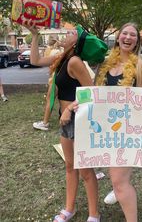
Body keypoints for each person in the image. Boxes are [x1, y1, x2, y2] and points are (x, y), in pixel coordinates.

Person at [23, 20, 108, 222]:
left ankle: (94, 215)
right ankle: (69, 209)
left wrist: (69, 108)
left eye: (71, 33)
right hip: (67, 119)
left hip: (79, 119)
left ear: (75, 43)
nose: (66, 33)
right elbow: (34, 60)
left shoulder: (75, 62)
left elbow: (92, 93)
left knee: (86, 171)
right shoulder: (62, 58)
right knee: (70, 167)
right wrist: (35, 36)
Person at [95, 22, 142, 222]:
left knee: (120, 181)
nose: (128, 38)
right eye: (125, 34)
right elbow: (95, 95)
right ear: (118, 37)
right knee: (117, 178)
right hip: (108, 129)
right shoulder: (105, 65)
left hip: (129, 130)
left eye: (133, 35)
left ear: (137, 41)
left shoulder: (141, 66)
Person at [33, 38, 61, 131]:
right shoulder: (60, 51)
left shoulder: (54, 52)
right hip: (58, 77)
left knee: (50, 98)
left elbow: (51, 65)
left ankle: (45, 122)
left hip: (56, 77)